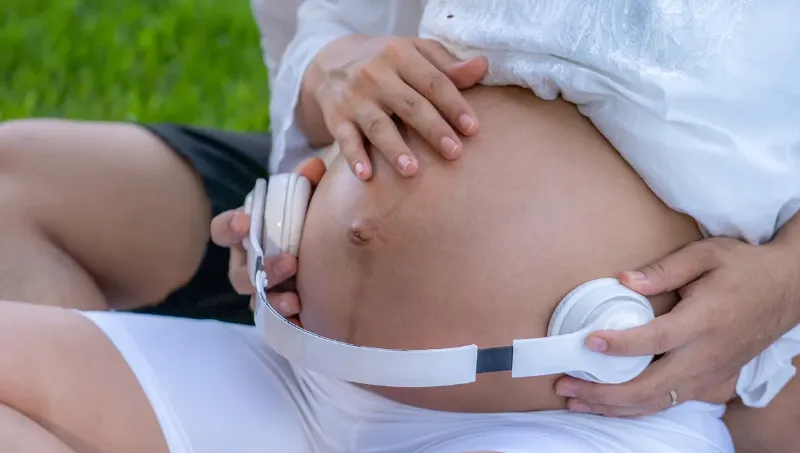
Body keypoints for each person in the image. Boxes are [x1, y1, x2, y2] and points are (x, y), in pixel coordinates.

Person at [0, 0, 796, 451]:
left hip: (561, 412)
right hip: (298, 373)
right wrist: (309, 169)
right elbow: (331, 39)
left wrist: (783, 280)